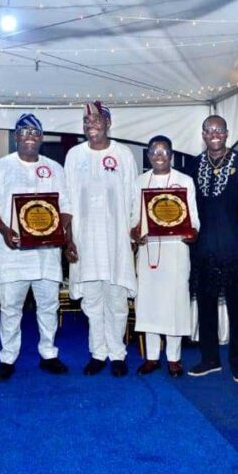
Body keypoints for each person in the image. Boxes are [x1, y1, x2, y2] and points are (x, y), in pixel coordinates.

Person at [0, 114, 71, 380]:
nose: (29, 137)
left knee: (49, 306)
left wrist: (58, 230)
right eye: (24, 132)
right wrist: (5, 230)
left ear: (41, 138)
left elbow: (66, 206)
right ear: (16, 137)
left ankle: (49, 354)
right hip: (12, 252)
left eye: (34, 133)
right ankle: (7, 358)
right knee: (10, 308)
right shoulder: (0, 167)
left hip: (47, 253)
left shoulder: (55, 168)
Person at [187, 115, 238, 383]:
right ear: (203, 135)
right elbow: (187, 207)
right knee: (206, 304)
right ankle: (209, 359)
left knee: (237, 308)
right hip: (204, 248)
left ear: (227, 133)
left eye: (219, 130)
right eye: (209, 130)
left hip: (236, 248)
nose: (214, 134)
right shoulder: (193, 166)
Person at [65, 101, 137, 377]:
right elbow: (66, 200)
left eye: (96, 120)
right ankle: (98, 353)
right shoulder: (74, 155)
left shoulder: (123, 154)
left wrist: (132, 236)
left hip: (116, 242)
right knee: (92, 302)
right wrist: (68, 239)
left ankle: (117, 354)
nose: (90, 125)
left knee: (116, 301)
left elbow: (133, 198)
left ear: (108, 123)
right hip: (85, 242)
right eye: (86, 121)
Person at [130, 135, 200, 377]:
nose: (159, 156)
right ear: (148, 155)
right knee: (149, 304)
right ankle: (151, 357)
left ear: (171, 155)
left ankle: (173, 358)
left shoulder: (185, 181)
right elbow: (134, 217)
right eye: (154, 152)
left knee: (174, 304)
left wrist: (192, 232)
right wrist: (134, 232)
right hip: (149, 251)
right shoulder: (139, 182)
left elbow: (194, 218)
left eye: (164, 152)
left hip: (176, 250)